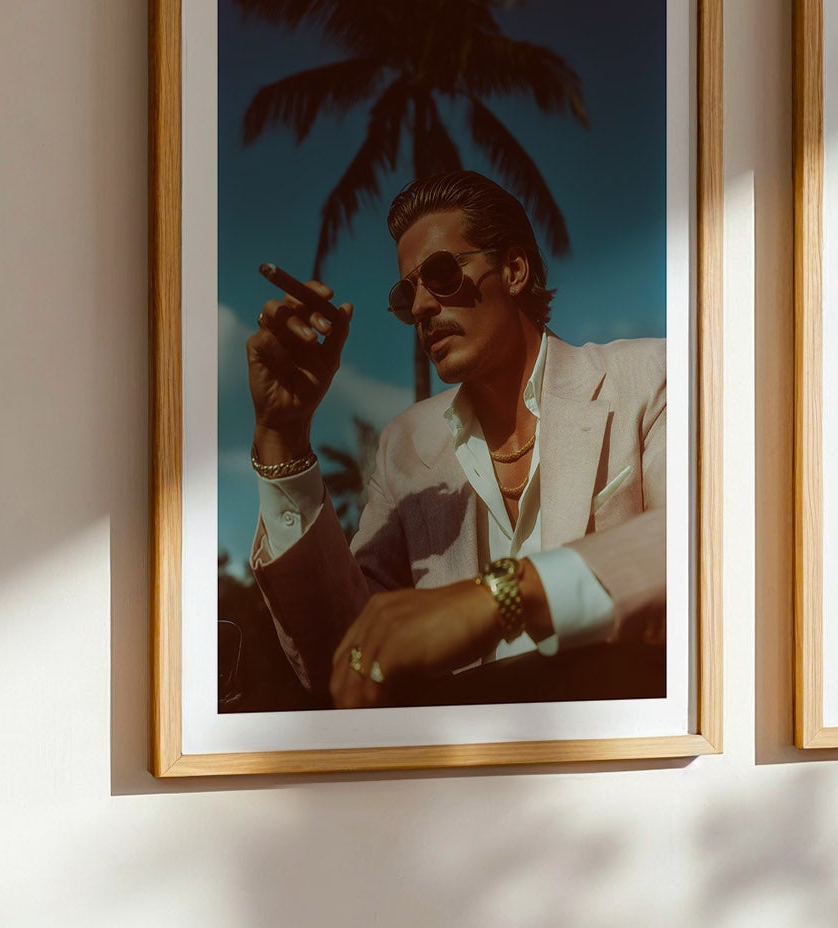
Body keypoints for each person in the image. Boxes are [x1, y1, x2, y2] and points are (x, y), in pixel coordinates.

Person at [245, 172, 665, 708]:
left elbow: (708, 544)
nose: (421, 306)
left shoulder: (649, 377)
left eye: (441, 273)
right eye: (405, 294)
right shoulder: (406, 447)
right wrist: (283, 437)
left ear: (514, 270)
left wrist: (502, 597)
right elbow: (343, 658)